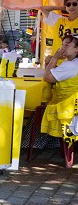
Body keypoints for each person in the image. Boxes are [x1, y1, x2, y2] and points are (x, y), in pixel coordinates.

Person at [41, 34, 78, 165]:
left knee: (38, 107)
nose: (62, 47)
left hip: (67, 106)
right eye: (62, 44)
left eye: (67, 45)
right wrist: (50, 62)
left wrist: (55, 58)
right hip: (72, 104)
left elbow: (47, 78)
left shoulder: (71, 65)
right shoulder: (69, 63)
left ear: (76, 50)